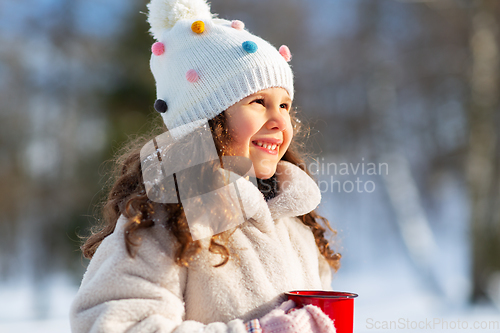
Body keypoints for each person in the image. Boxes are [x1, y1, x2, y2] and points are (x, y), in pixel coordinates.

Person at [70, 0, 342, 332]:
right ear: (207, 120)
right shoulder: (165, 219)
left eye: (285, 105)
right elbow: (115, 324)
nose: (279, 121)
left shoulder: (297, 222)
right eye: (258, 102)